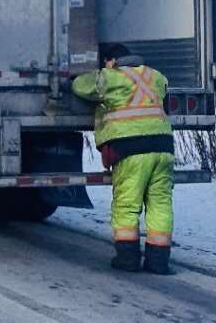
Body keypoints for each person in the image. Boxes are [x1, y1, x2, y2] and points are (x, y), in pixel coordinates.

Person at [72, 43, 174, 275]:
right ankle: (158, 262)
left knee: (127, 204)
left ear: (111, 60)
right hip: (164, 147)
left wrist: (73, 79)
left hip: (132, 147)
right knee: (160, 204)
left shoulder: (112, 77)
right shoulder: (155, 76)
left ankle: (128, 259)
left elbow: (82, 86)